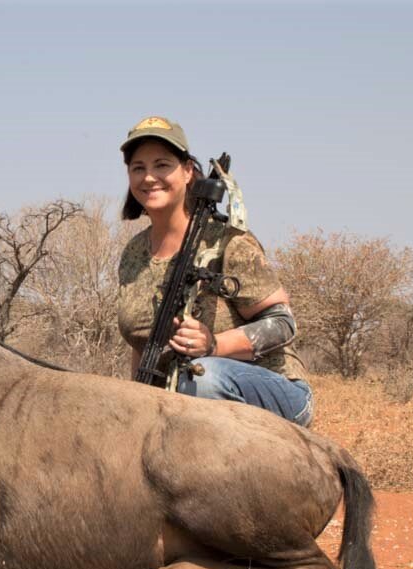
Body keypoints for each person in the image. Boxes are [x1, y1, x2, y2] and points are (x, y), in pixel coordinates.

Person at [116, 116, 313, 427]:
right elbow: (143, 344)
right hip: (178, 396)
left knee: (202, 378)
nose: (149, 177)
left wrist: (214, 345)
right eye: (138, 168)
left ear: (188, 172)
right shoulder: (133, 254)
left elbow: (282, 323)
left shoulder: (228, 241)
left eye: (162, 165)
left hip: (272, 387)